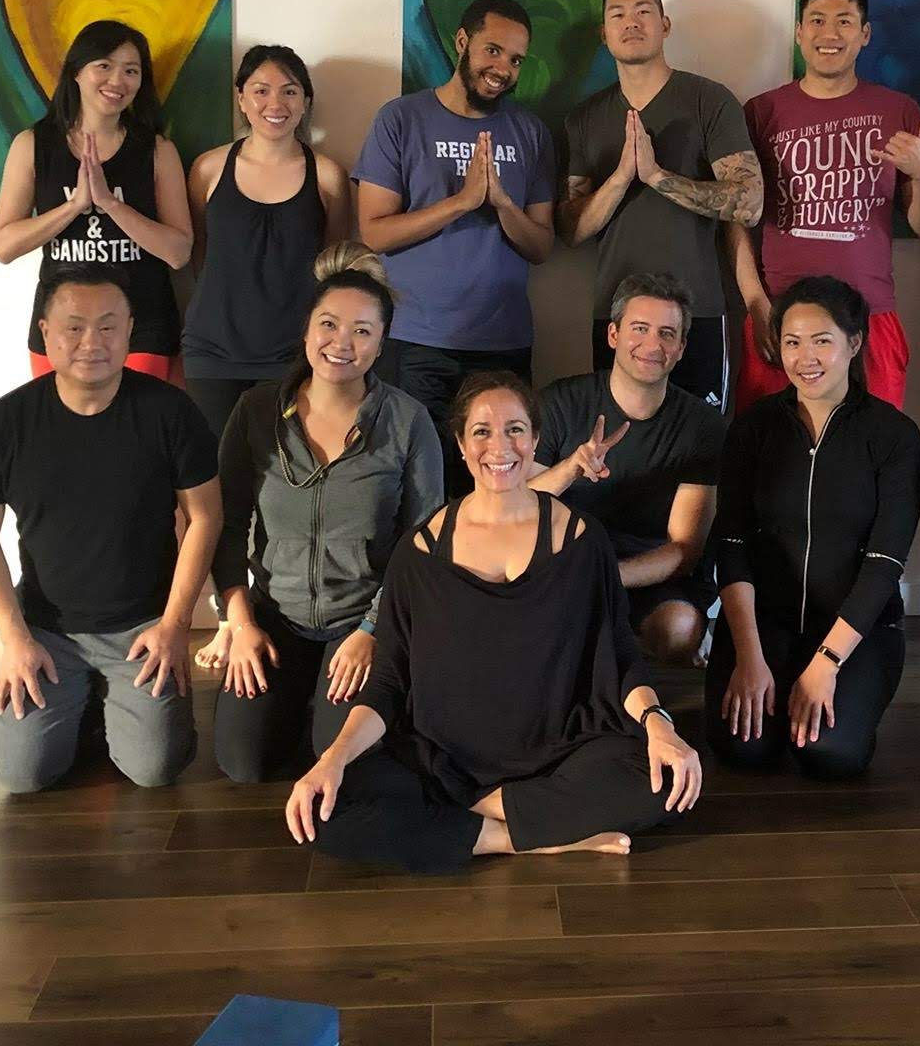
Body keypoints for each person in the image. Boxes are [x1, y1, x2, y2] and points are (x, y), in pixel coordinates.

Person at [284, 374, 703, 873]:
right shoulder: (419, 550)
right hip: (442, 759)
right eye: (481, 432)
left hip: (562, 750)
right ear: (461, 445)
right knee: (320, 810)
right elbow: (388, 683)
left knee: (668, 781)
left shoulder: (580, 539)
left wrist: (660, 726)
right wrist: (332, 759)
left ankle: (470, 822)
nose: (499, 447)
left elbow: (620, 655)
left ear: (535, 440)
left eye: (515, 430)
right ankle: (525, 836)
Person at [0, 273, 220, 793]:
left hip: (143, 627)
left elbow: (206, 517)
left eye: (107, 327)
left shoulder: (171, 412)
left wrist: (175, 625)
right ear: (45, 332)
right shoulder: (3, 423)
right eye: (74, 327)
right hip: (46, 630)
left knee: (154, 769)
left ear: (129, 331)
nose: (91, 343)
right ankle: (83, 708)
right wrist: (14, 638)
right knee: (21, 775)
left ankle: (110, 706)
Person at [203, 244, 442, 782]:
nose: (342, 343)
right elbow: (226, 525)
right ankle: (300, 694)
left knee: (340, 760)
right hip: (273, 616)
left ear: (381, 343)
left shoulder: (408, 421)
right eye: (329, 324)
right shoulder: (256, 411)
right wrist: (239, 622)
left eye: (362, 331)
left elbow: (422, 543)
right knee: (244, 763)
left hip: (361, 620)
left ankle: (352, 696)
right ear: (307, 330)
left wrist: (375, 629)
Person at [708, 276, 920, 779]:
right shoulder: (752, 428)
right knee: (744, 750)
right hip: (765, 626)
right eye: (792, 342)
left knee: (831, 754)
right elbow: (732, 543)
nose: (805, 357)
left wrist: (827, 661)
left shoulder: (894, 435)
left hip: (854, 632)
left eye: (821, 341)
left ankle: (833, 689)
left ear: (854, 343)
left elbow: (885, 562)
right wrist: (748, 655)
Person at [354, 0, 556, 490]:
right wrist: (462, 202)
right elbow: (374, 232)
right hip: (417, 340)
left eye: (516, 60)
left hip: (503, 345)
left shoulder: (530, 133)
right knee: (418, 486)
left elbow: (541, 247)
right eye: (493, 51)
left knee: (496, 487)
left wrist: (502, 204)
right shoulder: (400, 119)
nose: (503, 69)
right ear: (462, 42)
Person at [730, 0, 920, 412]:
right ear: (799, 32)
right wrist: (755, 301)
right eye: (817, 20)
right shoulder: (761, 112)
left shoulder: (898, 110)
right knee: (769, 445)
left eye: (844, 21)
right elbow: (735, 221)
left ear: (864, 34)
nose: (829, 34)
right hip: (781, 317)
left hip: (870, 317)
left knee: (874, 443)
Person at [557, 0, 760, 411]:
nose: (631, 22)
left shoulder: (709, 100)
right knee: (618, 439)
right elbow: (571, 231)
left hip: (698, 312)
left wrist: (656, 176)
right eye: (618, 15)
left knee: (703, 440)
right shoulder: (584, 118)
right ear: (604, 33)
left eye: (643, 11)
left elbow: (750, 202)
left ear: (664, 25)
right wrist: (620, 179)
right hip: (617, 316)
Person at [531, 273, 726, 664]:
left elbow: (683, 549)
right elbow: (518, 506)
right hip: (567, 563)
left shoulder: (703, 425)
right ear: (613, 335)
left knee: (678, 630)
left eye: (667, 334)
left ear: (681, 348)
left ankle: (623, 664)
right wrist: (571, 468)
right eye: (640, 328)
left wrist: (607, 575)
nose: (653, 345)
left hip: (650, 573)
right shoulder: (559, 402)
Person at [0, 19, 193, 379]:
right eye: (104, 66)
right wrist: (74, 206)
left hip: (141, 325)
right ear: (76, 72)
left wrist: (111, 204)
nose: (117, 80)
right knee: (61, 418)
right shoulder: (33, 145)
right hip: (61, 325)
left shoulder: (157, 150)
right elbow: (4, 246)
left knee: (140, 416)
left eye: (131, 71)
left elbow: (179, 253)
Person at [180, 44, 354, 440]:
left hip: (294, 354)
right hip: (213, 351)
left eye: (289, 91)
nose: (275, 103)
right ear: (241, 99)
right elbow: (199, 254)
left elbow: (335, 269)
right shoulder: (208, 169)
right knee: (215, 467)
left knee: (284, 469)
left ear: (306, 101)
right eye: (261, 90)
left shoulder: (328, 175)